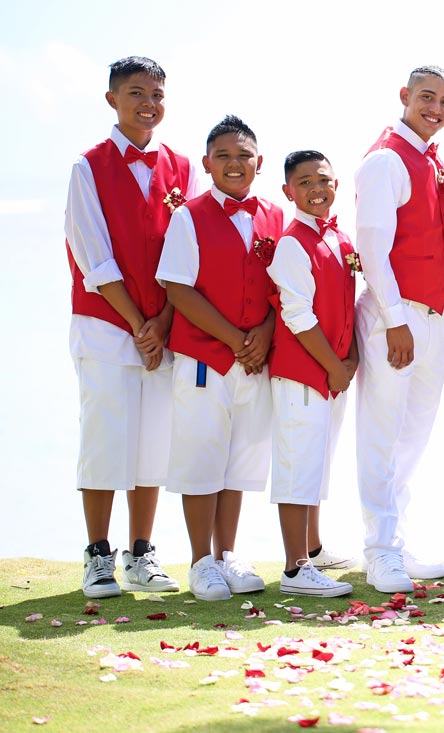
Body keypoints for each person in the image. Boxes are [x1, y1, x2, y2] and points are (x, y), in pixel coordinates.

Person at [64, 56, 196, 598]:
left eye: (158, 94)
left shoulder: (185, 168)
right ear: (112, 100)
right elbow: (92, 256)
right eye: (137, 92)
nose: (149, 103)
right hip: (105, 325)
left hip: (161, 331)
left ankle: (141, 553)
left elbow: (186, 259)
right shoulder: (86, 167)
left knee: (153, 445)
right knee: (104, 439)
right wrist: (139, 323)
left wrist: (162, 322)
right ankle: (98, 556)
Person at [157, 114, 283, 601]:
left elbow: (284, 289)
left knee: (240, 460)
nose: (235, 163)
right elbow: (177, 287)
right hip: (206, 358)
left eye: (244, 155)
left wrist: (266, 333)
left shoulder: (276, 215)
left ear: (260, 162)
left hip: (255, 360)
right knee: (201, 457)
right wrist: (234, 338)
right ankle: (199, 561)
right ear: (207, 163)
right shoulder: (189, 215)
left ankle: (227, 554)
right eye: (224, 156)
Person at [354, 66, 444, 593]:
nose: (436, 108)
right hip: (397, 316)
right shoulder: (386, 158)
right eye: (426, 98)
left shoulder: (429, 159)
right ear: (404, 96)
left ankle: (397, 539)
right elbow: (372, 245)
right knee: (382, 432)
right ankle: (378, 550)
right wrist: (395, 320)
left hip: (431, 315)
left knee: (413, 436)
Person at [266, 150, 358, 597]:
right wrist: (333, 368)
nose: (315, 188)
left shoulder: (338, 239)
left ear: (335, 182)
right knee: (297, 466)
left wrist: (352, 358)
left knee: (317, 465)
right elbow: (297, 315)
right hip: (303, 374)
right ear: (288, 192)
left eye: (322, 179)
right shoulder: (291, 243)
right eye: (304, 183)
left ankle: (314, 549)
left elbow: (348, 305)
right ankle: (295, 568)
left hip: (332, 375)